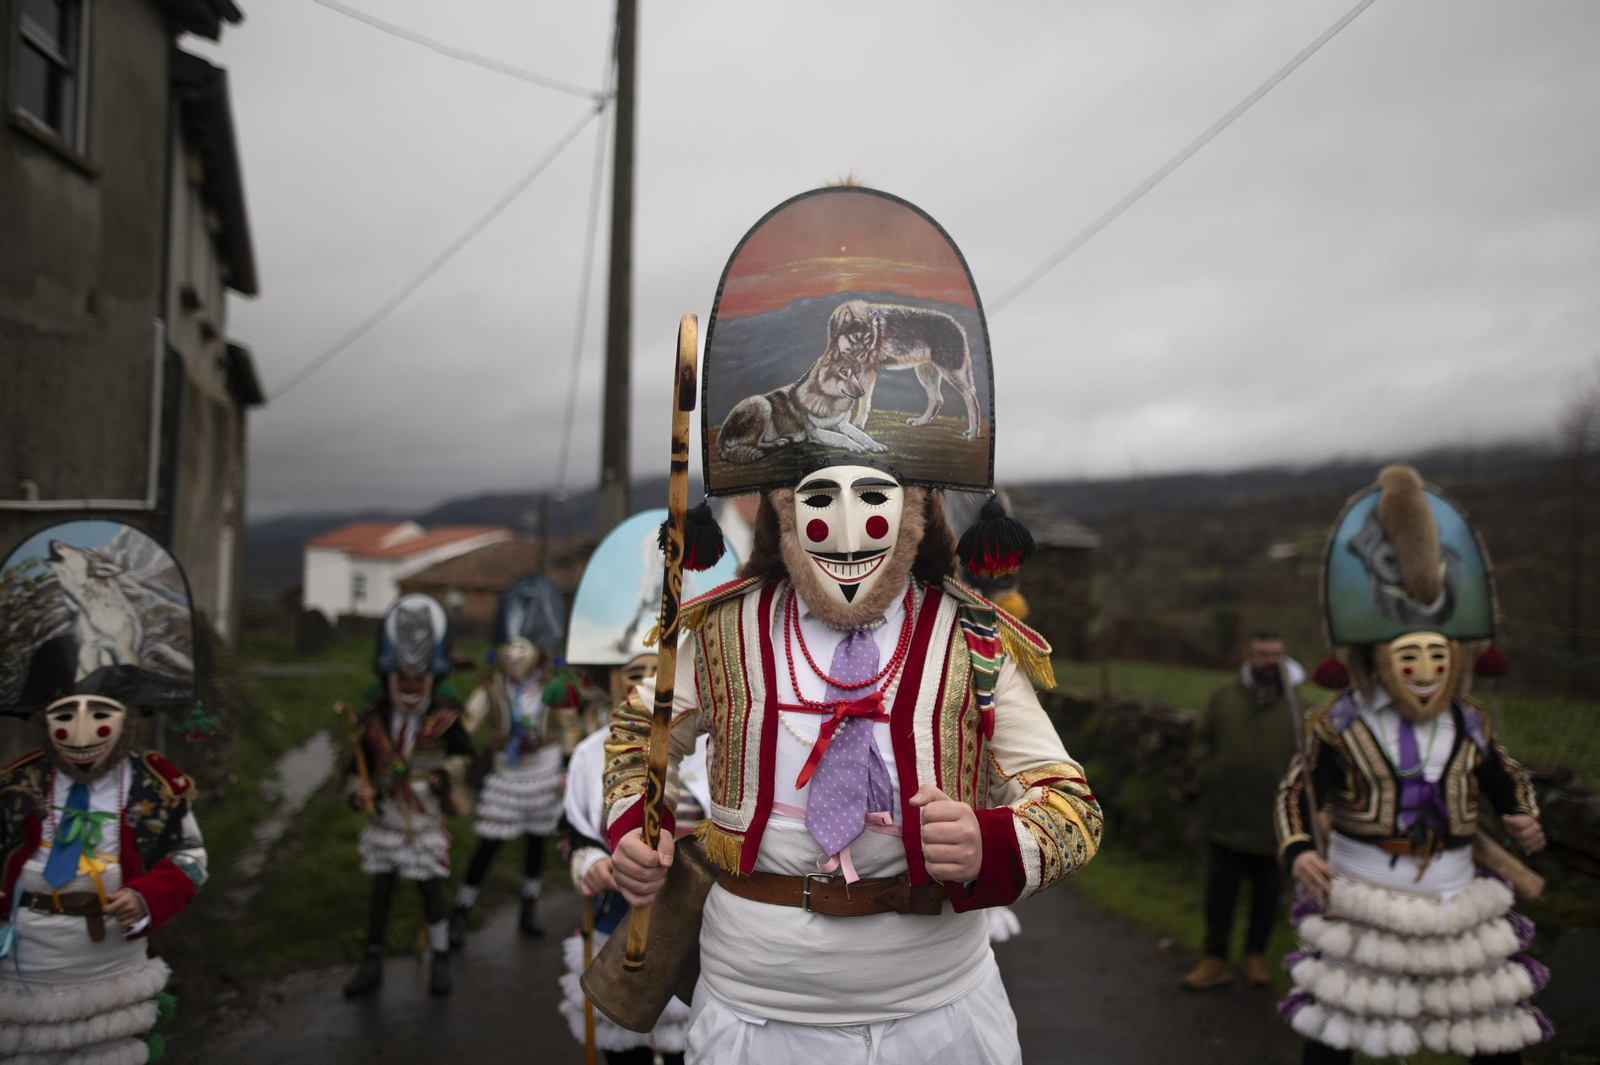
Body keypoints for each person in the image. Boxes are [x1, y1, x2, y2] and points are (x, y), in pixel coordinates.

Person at [604, 186, 1103, 1064]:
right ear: (781, 515)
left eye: (873, 498)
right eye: (816, 500)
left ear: (918, 514)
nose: (844, 527)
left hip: (938, 1017)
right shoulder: (712, 633)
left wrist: (991, 840)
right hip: (757, 1018)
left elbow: (1072, 805)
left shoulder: (976, 638)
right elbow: (629, 746)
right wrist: (633, 832)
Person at [1277, 466, 1550, 1063]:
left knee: (1490, 1027)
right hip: (1364, 890)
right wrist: (1300, 849)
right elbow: (1296, 794)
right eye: (1409, 659)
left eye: (1436, 657)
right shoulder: (1340, 722)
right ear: (1379, 659)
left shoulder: (1470, 721)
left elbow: (1508, 780)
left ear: (1455, 658)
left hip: (1458, 893)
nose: (1425, 673)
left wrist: (1521, 815)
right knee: (1337, 1027)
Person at [0, 519, 210, 1064]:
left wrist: (146, 896)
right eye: (64, 716)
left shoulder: (157, 787)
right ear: (43, 722)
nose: (83, 733)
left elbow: (190, 857)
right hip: (23, 978)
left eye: (102, 715)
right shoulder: (16, 786)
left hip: (111, 971)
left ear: (130, 718)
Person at [555, 506, 742, 1064]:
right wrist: (594, 865)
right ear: (611, 679)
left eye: (654, 676)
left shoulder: (724, 745)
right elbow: (571, 833)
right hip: (622, 921)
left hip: (711, 931)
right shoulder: (592, 755)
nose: (647, 689)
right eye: (633, 676)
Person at [343, 594, 473, 999]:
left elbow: (466, 758)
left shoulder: (445, 721)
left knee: (429, 890)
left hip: (425, 821)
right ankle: (371, 961)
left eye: (419, 679)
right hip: (386, 821)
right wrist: (356, 792)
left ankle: (439, 958)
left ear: (432, 680)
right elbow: (353, 769)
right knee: (381, 890)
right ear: (389, 679)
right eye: (403, 679)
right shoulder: (372, 722)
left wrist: (443, 776)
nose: (411, 688)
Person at [451, 574, 573, 944]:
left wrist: (568, 767)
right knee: (489, 842)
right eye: (510, 646)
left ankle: (529, 907)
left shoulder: (554, 686)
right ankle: (461, 909)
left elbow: (570, 729)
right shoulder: (491, 688)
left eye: (524, 646)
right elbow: (465, 724)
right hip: (506, 774)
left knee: (537, 843)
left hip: (544, 771)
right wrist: (451, 748)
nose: (515, 654)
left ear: (540, 648)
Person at [1182, 631, 1304, 990]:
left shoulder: (1298, 706)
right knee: (1220, 895)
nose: (1271, 661)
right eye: (1264, 654)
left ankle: (1255, 957)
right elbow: (1201, 741)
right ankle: (1214, 959)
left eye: (1277, 655)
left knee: (1265, 897)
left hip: (1272, 824)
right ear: (1248, 657)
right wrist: (1209, 772)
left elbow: (1309, 760)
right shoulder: (1223, 699)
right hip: (1225, 817)